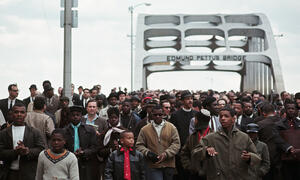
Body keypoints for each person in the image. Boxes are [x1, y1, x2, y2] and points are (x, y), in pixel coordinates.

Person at [192, 106, 261, 180]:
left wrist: (249, 157)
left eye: (226, 116)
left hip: (239, 176)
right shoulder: (210, 138)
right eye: (221, 116)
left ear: (233, 119)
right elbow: (194, 153)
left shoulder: (244, 137)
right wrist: (205, 150)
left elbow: (257, 157)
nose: (223, 118)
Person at [0, 103, 45, 180]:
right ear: (12, 114)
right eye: (16, 112)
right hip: (9, 174)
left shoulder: (35, 132)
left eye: (22, 112)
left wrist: (28, 151)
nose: (19, 114)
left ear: (26, 114)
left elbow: (41, 149)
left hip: (29, 174)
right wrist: (15, 152)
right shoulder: (3, 133)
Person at [136, 105, 180, 180]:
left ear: (163, 115)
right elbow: (139, 145)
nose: (157, 116)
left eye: (160, 115)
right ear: (151, 115)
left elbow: (176, 144)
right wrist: (148, 153)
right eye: (155, 115)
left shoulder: (171, 127)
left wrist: (166, 154)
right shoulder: (145, 129)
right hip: (153, 165)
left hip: (168, 164)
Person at [64, 105, 100, 180]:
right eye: (73, 115)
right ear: (69, 116)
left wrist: (84, 152)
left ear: (81, 116)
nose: (75, 117)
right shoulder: (64, 131)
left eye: (78, 115)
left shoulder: (89, 130)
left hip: (86, 162)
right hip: (69, 161)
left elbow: (95, 147)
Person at [181, 109, 211, 180]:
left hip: (210, 175)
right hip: (194, 175)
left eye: (196, 119)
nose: (195, 121)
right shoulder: (192, 137)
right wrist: (189, 166)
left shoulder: (213, 136)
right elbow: (184, 153)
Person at [99, 107, 125, 179]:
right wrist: (110, 150)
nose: (113, 119)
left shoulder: (124, 132)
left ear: (118, 118)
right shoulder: (105, 133)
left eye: (115, 117)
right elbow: (99, 151)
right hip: (107, 164)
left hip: (123, 163)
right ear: (108, 119)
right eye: (111, 117)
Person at [276, 100, 300, 179]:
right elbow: (277, 139)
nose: (291, 110)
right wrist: (288, 147)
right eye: (289, 108)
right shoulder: (279, 124)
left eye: (293, 108)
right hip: (286, 159)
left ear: (296, 110)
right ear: (285, 110)